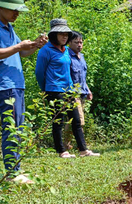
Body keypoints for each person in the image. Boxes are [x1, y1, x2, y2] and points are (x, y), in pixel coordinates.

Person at [0, 0, 47, 184]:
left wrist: (34, 45)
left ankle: (16, 169)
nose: (17, 14)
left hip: (17, 84)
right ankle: (12, 173)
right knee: (11, 127)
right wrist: (18, 46)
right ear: (0, 7)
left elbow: (21, 53)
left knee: (18, 127)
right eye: (13, 10)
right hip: (5, 85)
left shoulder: (9, 27)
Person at [35, 19, 99, 158]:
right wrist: (45, 90)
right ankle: (61, 151)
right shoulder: (45, 50)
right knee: (59, 121)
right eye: (61, 34)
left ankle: (83, 150)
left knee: (76, 120)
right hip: (54, 90)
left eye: (66, 34)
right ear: (54, 35)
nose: (64, 36)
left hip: (69, 89)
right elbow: (39, 72)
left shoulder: (65, 51)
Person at [64, 31, 92, 148]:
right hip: (72, 93)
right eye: (76, 42)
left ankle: (66, 143)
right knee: (79, 120)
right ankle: (80, 145)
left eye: (81, 42)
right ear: (69, 43)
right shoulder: (66, 56)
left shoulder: (82, 57)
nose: (79, 45)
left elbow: (82, 77)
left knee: (73, 120)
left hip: (82, 92)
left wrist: (88, 90)